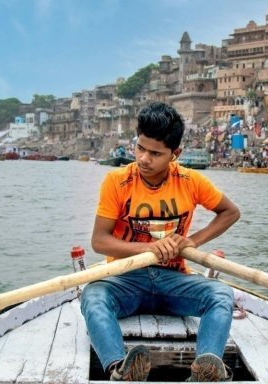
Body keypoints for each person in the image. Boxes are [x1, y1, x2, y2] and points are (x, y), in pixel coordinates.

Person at [81, 102, 241, 382]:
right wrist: (149, 248)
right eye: (140, 148)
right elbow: (100, 241)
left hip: (174, 281)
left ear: (174, 154)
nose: (144, 159)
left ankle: (206, 372)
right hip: (125, 279)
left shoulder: (190, 181)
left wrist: (191, 241)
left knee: (221, 295)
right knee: (93, 297)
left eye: (155, 153)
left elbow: (230, 212)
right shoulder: (117, 181)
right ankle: (120, 370)